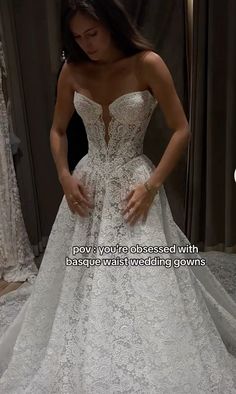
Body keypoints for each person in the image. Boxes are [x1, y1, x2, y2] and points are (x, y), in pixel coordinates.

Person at [0, 0, 236, 392]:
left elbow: (182, 130)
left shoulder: (148, 64)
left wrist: (152, 185)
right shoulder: (72, 70)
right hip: (88, 182)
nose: (86, 43)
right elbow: (57, 130)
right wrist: (63, 175)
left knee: (146, 274)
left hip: (135, 182)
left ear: (112, 24)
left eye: (92, 33)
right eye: (77, 37)